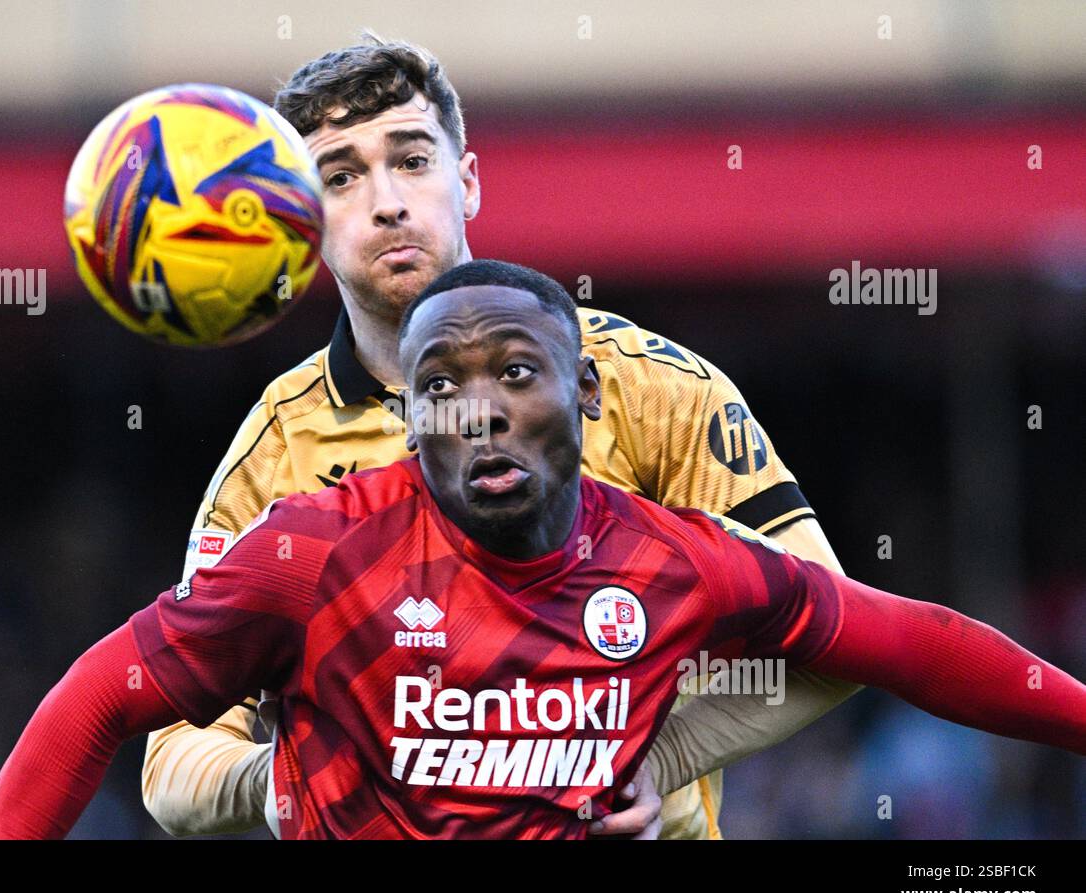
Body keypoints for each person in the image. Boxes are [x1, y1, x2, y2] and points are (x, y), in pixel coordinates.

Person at [0, 260, 1086, 840]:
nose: (480, 410)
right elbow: (97, 697)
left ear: (585, 392)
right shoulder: (315, 551)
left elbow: (915, 642)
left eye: (516, 372)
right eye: (441, 387)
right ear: (408, 418)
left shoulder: (673, 562)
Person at [142, 33, 851, 842]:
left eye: (411, 160)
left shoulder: (650, 386)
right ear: (303, 219)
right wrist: (289, 779)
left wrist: (658, 757)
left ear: (467, 181)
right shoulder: (276, 450)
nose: (386, 203)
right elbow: (172, 762)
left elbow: (833, 639)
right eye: (340, 176)